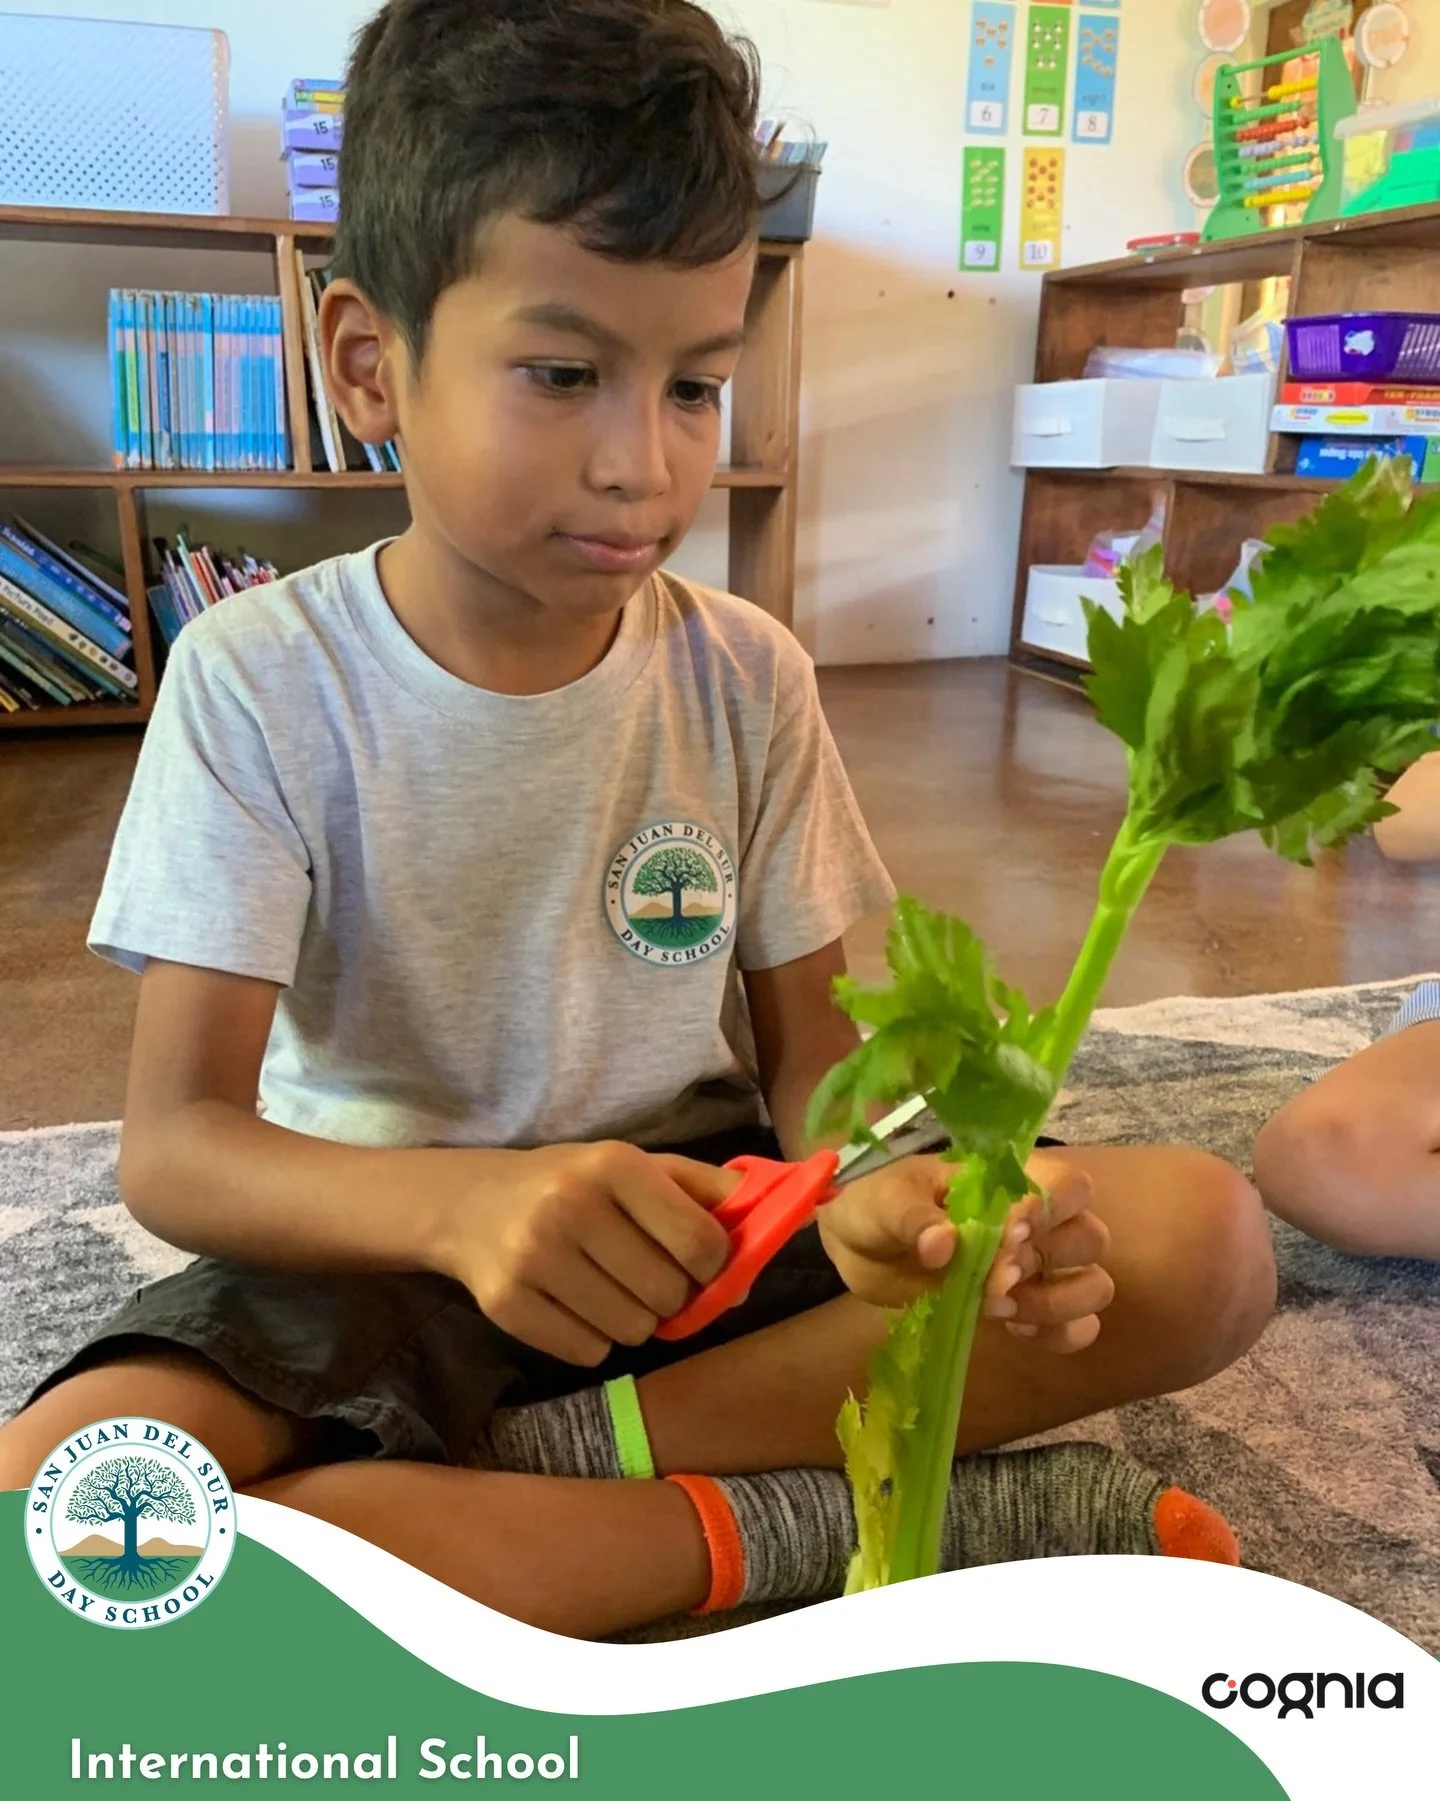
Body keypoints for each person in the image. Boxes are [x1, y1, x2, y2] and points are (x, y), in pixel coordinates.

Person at [0, 0, 1275, 1640]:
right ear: (369, 365)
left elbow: (823, 1070)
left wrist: (889, 1192)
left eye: (694, 386)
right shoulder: (259, 678)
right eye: (563, 373)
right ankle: (818, 1528)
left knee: (1202, 1243)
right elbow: (179, 1148)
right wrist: (463, 1212)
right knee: (65, 1512)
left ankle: (531, 1487)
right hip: (379, 1248)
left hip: (706, 1241)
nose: (640, 463)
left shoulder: (746, 671)